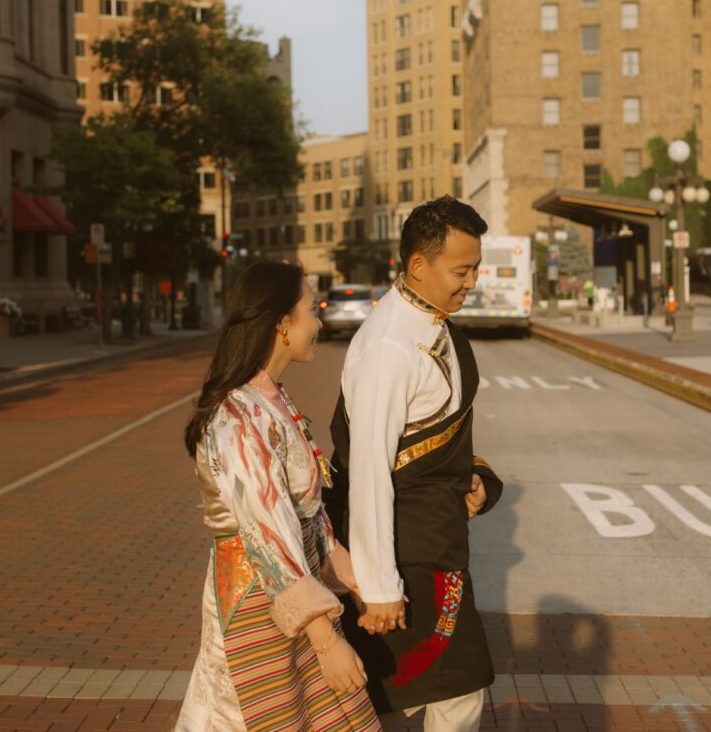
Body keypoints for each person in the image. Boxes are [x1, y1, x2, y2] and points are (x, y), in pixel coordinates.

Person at [175, 261, 381, 732]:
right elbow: (268, 536)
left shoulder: (269, 402)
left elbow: (308, 519)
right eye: (312, 310)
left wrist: (358, 584)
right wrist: (327, 641)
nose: (320, 322)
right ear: (282, 325)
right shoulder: (238, 418)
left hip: (289, 594)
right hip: (257, 601)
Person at [325, 197, 504, 731]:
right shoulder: (389, 346)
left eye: (475, 268)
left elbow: (434, 441)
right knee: (444, 690)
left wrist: (478, 481)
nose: (471, 281)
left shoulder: (436, 324)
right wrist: (378, 587)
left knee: (426, 692)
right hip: (408, 554)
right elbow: (370, 471)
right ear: (419, 266)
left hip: (437, 540)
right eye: (461, 270)